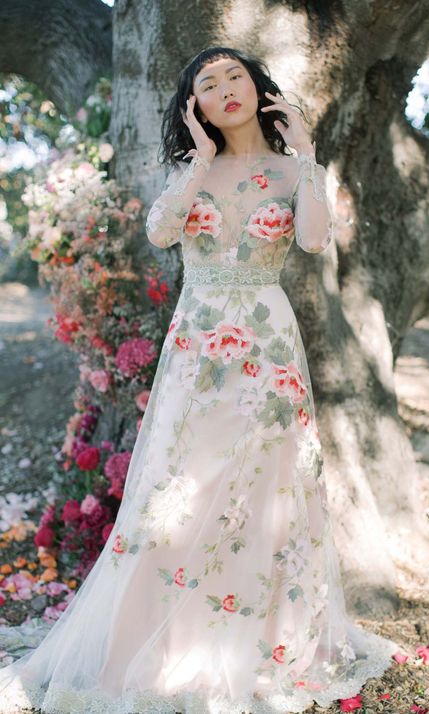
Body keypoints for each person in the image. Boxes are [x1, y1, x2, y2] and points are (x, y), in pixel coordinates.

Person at [0, 46, 397, 713]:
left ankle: (260, 644)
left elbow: (313, 239)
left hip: (267, 346)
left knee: (266, 486)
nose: (224, 89)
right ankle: (154, 648)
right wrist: (204, 164)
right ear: (196, 108)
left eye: (234, 76)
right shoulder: (193, 170)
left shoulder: (289, 169)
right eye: (207, 85)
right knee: (178, 493)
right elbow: (159, 233)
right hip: (200, 346)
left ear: (257, 87)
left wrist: (308, 160)